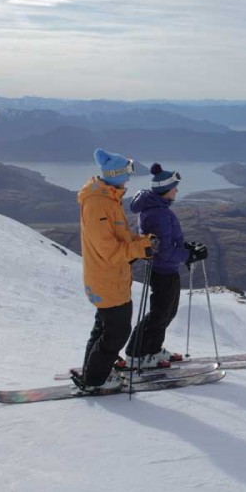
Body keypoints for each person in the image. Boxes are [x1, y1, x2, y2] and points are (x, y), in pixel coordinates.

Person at [72, 149, 155, 392]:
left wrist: (143, 242)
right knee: (117, 333)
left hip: (112, 278)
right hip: (107, 278)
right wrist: (141, 250)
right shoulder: (98, 204)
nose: (129, 178)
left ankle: (94, 369)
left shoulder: (108, 198)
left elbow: (120, 236)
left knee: (104, 328)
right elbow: (109, 250)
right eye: (127, 173)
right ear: (116, 174)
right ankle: (96, 379)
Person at [125, 162, 208, 369]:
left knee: (166, 312)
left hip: (166, 269)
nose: (177, 190)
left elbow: (165, 243)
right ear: (165, 190)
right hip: (163, 270)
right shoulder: (158, 214)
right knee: (159, 314)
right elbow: (163, 251)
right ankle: (136, 354)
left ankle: (152, 350)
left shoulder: (158, 209)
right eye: (174, 187)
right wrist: (188, 254)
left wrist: (184, 247)